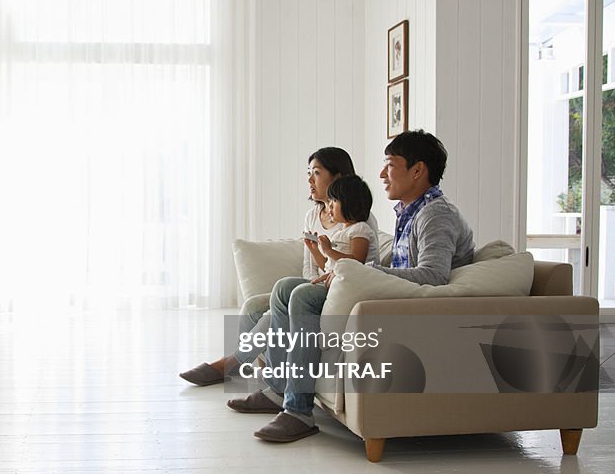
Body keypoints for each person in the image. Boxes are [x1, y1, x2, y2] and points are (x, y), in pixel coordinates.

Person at [229, 130, 474, 443]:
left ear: (417, 170)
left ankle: (298, 410)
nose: (382, 173)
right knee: (285, 288)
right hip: (390, 294)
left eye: (390, 165)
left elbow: (433, 276)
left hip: (405, 305)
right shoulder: (411, 211)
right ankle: (278, 389)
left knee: (303, 296)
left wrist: (364, 272)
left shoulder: (435, 215)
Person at [179, 147, 377, 386]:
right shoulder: (313, 215)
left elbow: (360, 264)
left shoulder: (359, 219)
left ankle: (233, 363)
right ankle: (251, 366)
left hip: (339, 289)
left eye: (316, 173)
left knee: (276, 311)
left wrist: (318, 277)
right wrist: (312, 277)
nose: (309, 180)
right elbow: (309, 266)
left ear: (337, 177)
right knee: (254, 306)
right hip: (316, 283)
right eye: (308, 173)